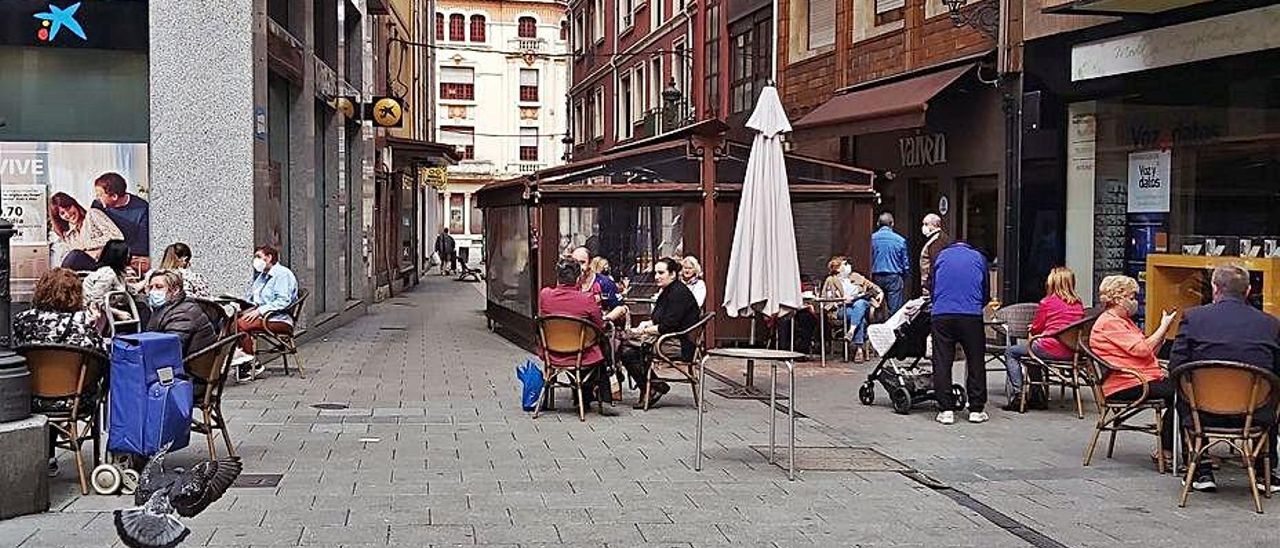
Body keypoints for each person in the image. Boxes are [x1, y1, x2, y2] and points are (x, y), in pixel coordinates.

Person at [1168, 265, 1280, 493]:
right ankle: (1263, 470)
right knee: (1272, 393)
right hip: (1254, 413)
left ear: (1214, 288)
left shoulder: (1194, 317)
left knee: (1184, 390)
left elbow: (1176, 366)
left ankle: (1200, 469)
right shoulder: (1270, 324)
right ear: (1248, 290)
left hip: (1203, 412)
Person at [12, 268, 109, 477]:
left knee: (49, 384)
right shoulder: (81, 323)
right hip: (72, 401)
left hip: (32, 397)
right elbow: (101, 360)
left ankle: (48, 456)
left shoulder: (22, 321)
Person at [1089, 275, 1177, 464]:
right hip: (1124, 383)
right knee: (1183, 394)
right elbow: (1142, 349)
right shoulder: (1109, 323)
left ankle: (1180, 447)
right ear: (1119, 299)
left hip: (1136, 378)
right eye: (1132, 297)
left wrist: (1161, 336)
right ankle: (1169, 450)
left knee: (1185, 390)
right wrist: (1163, 327)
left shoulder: (1123, 321)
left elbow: (1148, 351)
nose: (1136, 301)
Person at [539, 259, 618, 416]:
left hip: (552, 352)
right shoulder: (586, 299)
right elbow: (600, 325)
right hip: (581, 354)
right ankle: (599, 392)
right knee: (601, 344)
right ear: (578, 278)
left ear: (558, 277)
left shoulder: (545, 295)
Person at [618, 257, 701, 409]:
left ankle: (653, 387)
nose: (656, 276)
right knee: (624, 346)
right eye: (655, 272)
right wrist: (645, 325)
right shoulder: (668, 291)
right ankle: (653, 386)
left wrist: (642, 331)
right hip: (668, 339)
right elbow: (660, 319)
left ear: (673, 274)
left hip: (679, 344)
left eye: (661, 273)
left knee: (626, 350)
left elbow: (667, 326)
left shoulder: (678, 293)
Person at [1001, 267, 1086, 411]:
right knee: (1031, 354)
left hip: (1050, 347)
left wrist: (1031, 328)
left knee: (1012, 352)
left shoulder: (1047, 302)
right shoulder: (1078, 304)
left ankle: (1018, 395)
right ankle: (1037, 395)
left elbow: (1036, 329)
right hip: (1073, 352)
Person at [929, 240, 992, 425]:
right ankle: (976, 409)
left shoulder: (941, 256)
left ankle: (946, 409)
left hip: (942, 314)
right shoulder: (979, 258)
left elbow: (932, 286)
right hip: (970, 315)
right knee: (975, 360)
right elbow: (985, 291)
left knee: (942, 360)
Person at [232, 245, 299, 381]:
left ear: (269, 258)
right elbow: (254, 298)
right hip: (262, 315)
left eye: (258, 257)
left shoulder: (282, 275)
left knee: (241, 324)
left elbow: (283, 301)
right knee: (229, 321)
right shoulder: (262, 276)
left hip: (279, 318)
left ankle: (251, 363)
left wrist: (259, 311)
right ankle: (240, 359)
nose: (256, 261)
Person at [821, 256, 882, 363]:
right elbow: (826, 299)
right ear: (837, 268)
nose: (849, 266)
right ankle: (859, 349)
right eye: (845, 264)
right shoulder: (831, 280)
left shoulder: (856, 276)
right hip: (842, 309)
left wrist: (880, 292)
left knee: (860, 303)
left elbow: (874, 287)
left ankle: (851, 332)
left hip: (859, 305)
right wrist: (841, 301)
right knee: (861, 319)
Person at [144, 270, 217, 357]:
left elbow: (170, 349)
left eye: (159, 287)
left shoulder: (183, 313)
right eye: (151, 287)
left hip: (189, 367)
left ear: (175, 290)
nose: (153, 292)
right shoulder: (169, 308)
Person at [92, 172, 151, 273]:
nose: (97, 198)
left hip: (128, 259)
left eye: (100, 195)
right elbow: (93, 232)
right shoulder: (98, 206)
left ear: (114, 196)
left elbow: (142, 245)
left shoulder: (142, 209)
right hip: (99, 256)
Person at [49, 192, 124, 271]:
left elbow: (117, 236)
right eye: (62, 213)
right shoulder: (68, 234)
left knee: (74, 256)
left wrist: (89, 246)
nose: (68, 214)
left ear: (74, 204)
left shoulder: (92, 214)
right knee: (70, 260)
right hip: (85, 269)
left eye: (68, 208)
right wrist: (88, 252)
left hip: (105, 262)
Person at [82, 239, 134, 326]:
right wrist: (118, 313)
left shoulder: (118, 273)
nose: (129, 256)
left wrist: (147, 280)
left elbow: (131, 291)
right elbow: (96, 300)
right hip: (95, 315)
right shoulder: (107, 273)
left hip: (107, 312)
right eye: (126, 254)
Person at [870, 212, 910, 316]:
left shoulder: (871, 239)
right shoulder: (900, 240)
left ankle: (876, 328)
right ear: (892, 224)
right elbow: (905, 262)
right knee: (895, 309)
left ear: (878, 223)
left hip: (876, 276)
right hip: (894, 276)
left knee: (876, 305)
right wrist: (905, 275)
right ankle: (892, 329)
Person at [918, 213, 949, 298]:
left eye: (926, 224)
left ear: (935, 225)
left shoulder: (937, 241)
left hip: (932, 286)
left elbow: (935, 263)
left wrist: (930, 283)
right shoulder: (937, 238)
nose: (924, 227)